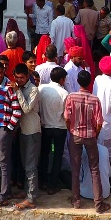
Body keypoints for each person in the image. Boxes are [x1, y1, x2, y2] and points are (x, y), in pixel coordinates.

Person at [63, 69, 109, 214]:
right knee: (94, 169)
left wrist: (71, 129)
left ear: (78, 82)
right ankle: (98, 203)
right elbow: (99, 122)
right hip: (90, 136)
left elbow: (66, 117)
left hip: (75, 134)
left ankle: (76, 200)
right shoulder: (95, 100)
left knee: (75, 168)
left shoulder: (71, 97)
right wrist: (95, 133)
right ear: (90, 83)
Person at [0, 60, 23, 208]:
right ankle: (5, 190)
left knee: (3, 162)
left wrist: (8, 129)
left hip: (4, 129)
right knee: (0, 160)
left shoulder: (9, 87)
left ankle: (3, 196)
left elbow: (17, 111)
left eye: (1, 72)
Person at [13, 62, 42, 210]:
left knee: (31, 166)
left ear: (27, 76)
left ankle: (31, 198)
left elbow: (26, 108)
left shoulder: (33, 90)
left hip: (32, 131)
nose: (19, 80)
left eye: (22, 78)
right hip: (23, 130)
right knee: (26, 164)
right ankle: (27, 191)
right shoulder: (20, 88)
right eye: (17, 78)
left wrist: (17, 91)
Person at [38, 66, 69, 195]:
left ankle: (43, 182)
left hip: (45, 126)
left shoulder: (42, 89)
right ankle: (52, 185)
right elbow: (66, 115)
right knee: (57, 156)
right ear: (62, 79)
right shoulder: (64, 93)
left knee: (44, 154)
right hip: (60, 128)